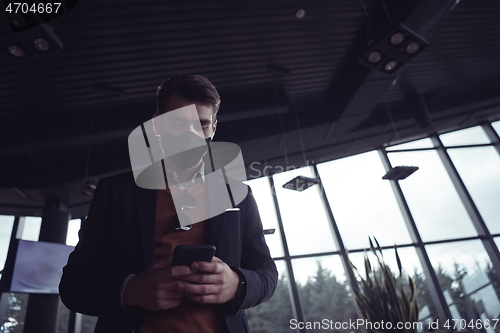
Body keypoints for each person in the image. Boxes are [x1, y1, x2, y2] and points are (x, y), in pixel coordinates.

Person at [59, 75, 278, 333]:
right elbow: (73, 285)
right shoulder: (115, 192)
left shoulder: (238, 194)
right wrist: (131, 291)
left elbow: (266, 274)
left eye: (202, 125)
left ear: (213, 129)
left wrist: (237, 283)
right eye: (178, 124)